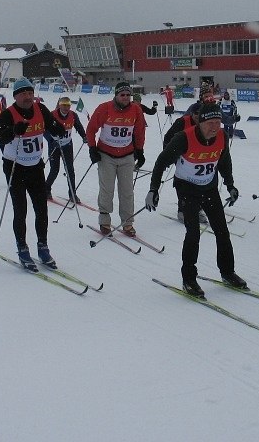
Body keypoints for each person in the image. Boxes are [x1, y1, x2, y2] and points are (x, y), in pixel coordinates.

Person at [144, 102, 245, 297]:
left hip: (209, 187)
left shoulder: (222, 136)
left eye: (218, 122)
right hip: (187, 189)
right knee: (193, 233)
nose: (214, 127)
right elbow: (161, 162)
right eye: (210, 123)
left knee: (222, 231)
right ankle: (189, 279)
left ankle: (227, 272)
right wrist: (153, 189)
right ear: (200, 122)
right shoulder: (183, 138)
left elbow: (224, 161)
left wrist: (230, 185)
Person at [0, 78, 66, 270]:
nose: (27, 97)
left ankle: (43, 247)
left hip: (35, 166)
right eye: (23, 94)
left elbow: (51, 124)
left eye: (30, 93)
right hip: (15, 167)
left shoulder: (40, 109)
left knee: (41, 208)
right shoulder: (8, 114)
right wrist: (13, 131)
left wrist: (57, 128)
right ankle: (22, 248)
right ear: (15, 96)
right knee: (21, 209)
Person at [86, 81, 146, 236]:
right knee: (107, 189)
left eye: (128, 95)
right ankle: (104, 221)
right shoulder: (104, 108)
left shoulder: (136, 110)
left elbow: (139, 132)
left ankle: (128, 223)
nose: (125, 97)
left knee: (127, 191)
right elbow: (91, 129)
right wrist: (92, 148)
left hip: (127, 155)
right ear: (116, 95)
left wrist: (140, 150)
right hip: (106, 155)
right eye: (122, 95)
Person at [163, 88, 214, 223]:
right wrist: (168, 157)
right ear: (192, 113)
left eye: (201, 114)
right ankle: (183, 210)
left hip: (199, 157)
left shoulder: (206, 122)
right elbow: (167, 138)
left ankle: (198, 209)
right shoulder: (182, 121)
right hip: (182, 156)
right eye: (196, 114)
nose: (198, 116)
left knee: (200, 183)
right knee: (184, 184)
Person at [45, 96, 87, 201]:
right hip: (55, 146)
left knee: (70, 170)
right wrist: (51, 141)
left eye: (68, 105)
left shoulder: (73, 115)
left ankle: (72, 194)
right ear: (59, 105)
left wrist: (84, 136)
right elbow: (44, 130)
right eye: (63, 105)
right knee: (54, 170)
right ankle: (46, 189)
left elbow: (78, 126)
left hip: (67, 145)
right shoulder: (52, 115)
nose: (66, 108)